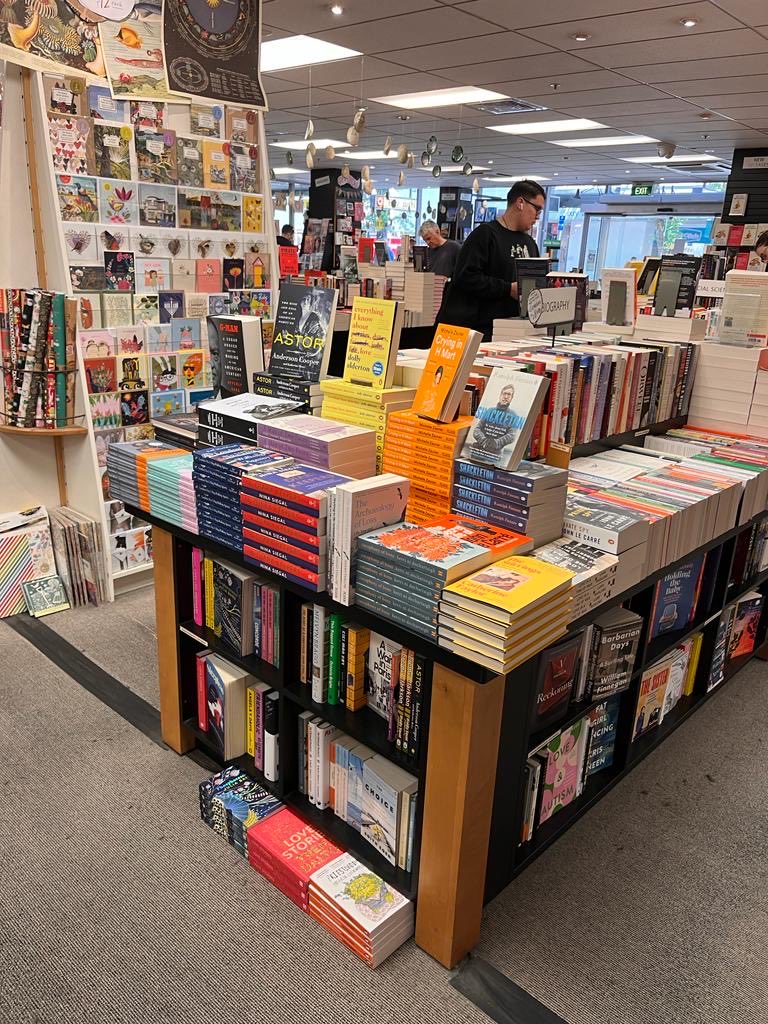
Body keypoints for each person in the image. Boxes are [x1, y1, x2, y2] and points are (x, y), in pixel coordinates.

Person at [440, 179, 546, 339]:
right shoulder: (485, 235)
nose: (538, 216)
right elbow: (465, 277)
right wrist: (507, 289)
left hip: (515, 330)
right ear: (520, 203)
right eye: (537, 209)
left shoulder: (530, 244)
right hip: (479, 330)